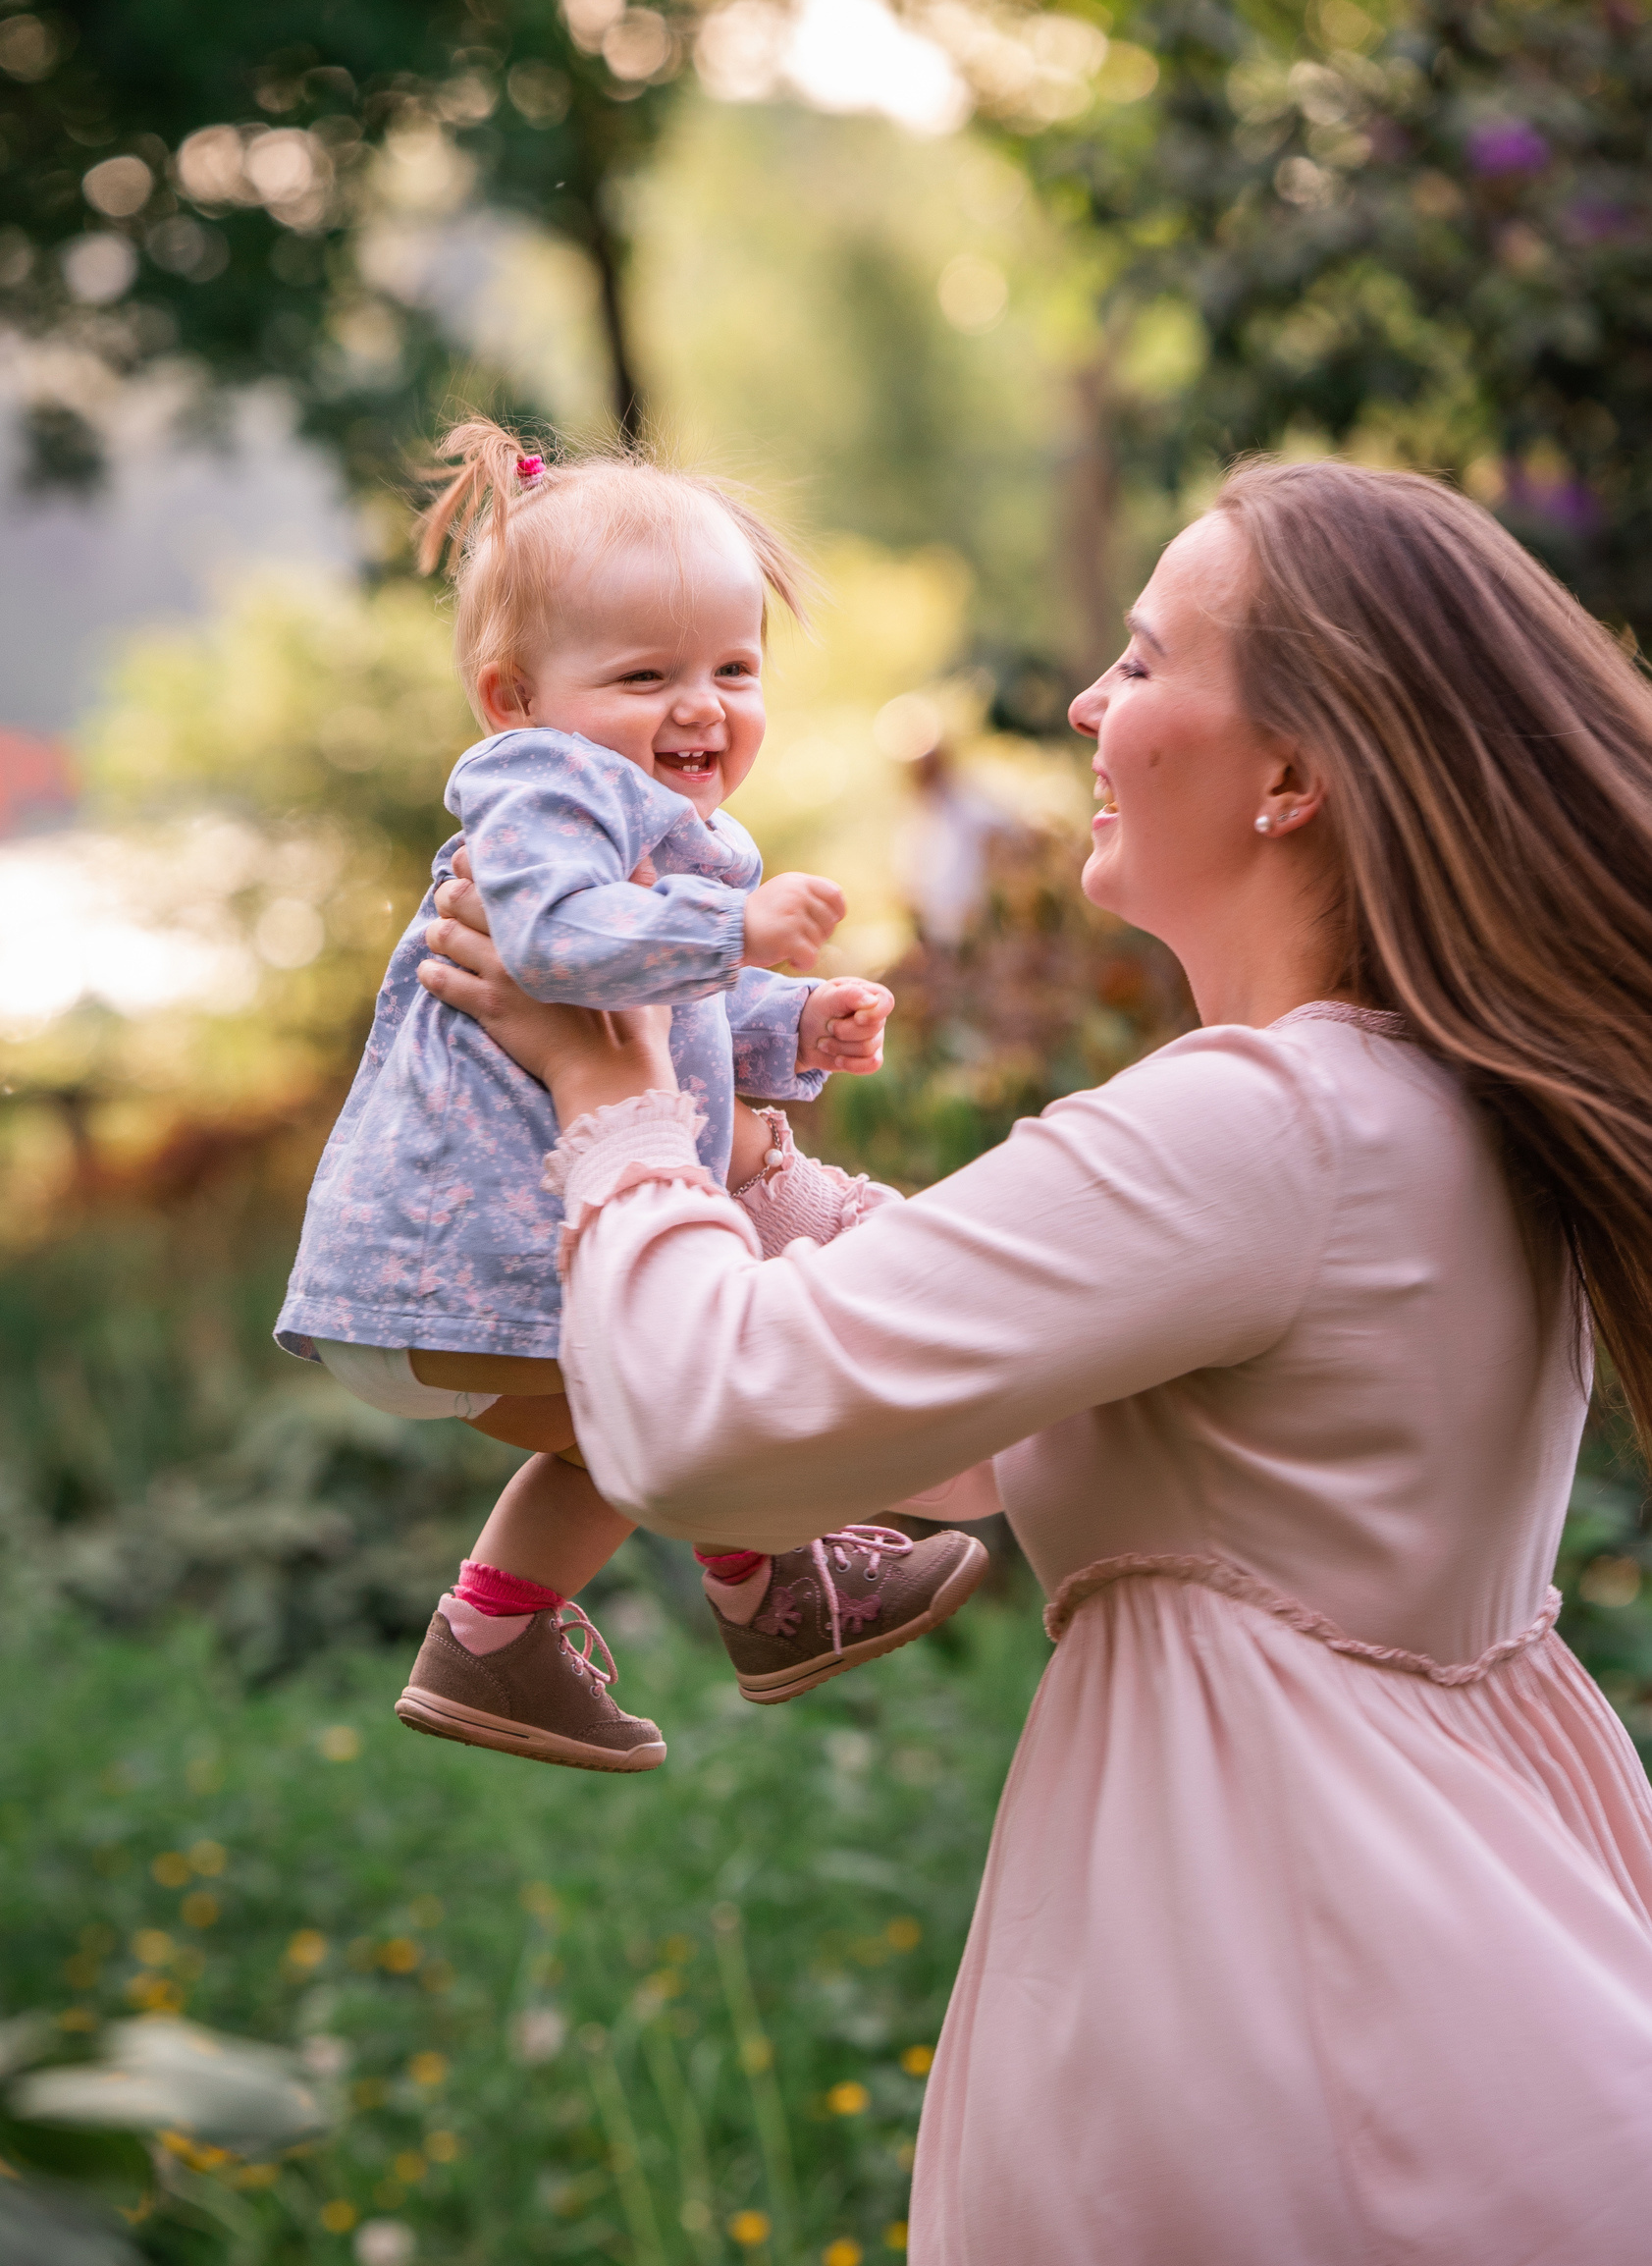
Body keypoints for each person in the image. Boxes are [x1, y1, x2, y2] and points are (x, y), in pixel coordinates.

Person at [417, 458, 1652, 2263]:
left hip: (1284, 1944)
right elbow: (965, 1409)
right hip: (1451, 1880)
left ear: (1294, 773)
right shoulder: (1413, 1098)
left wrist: (615, 1090)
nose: (1083, 703)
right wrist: (749, 1168)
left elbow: (710, 1428)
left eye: (1142, 662)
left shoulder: (1273, 1121)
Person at [274, 419, 987, 1777]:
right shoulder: (546, 792)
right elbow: (559, 946)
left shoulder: (660, 834)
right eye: (646, 674)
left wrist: (791, 1023)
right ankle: (771, 1586)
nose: (701, 705)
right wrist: (738, 932)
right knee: (691, 1405)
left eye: (733, 667)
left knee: (641, 1428)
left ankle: (501, 1636)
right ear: (513, 698)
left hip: (467, 1277)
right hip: (458, 1262)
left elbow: (663, 1012)